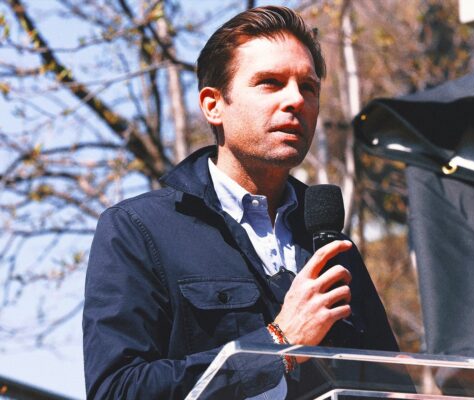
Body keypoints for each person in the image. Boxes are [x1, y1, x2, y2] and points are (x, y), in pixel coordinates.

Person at [83, 6, 398, 399]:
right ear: (213, 105)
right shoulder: (139, 229)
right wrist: (278, 342)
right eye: (270, 83)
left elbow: (389, 382)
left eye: (308, 87)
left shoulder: (331, 241)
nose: (295, 100)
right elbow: (116, 390)